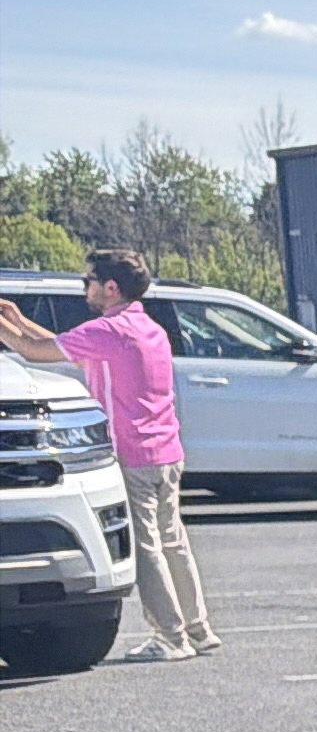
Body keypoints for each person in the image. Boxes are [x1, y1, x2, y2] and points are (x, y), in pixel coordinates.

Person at [0, 249, 215, 661]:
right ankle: (197, 628)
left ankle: (170, 637)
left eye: (89, 281)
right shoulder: (146, 328)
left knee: (146, 546)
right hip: (167, 451)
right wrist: (14, 316)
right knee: (173, 541)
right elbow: (51, 342)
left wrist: (6, 326)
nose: (86, 287)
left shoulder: (109, 330)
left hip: (132, 453)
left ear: (110, 287)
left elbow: (32, 351)